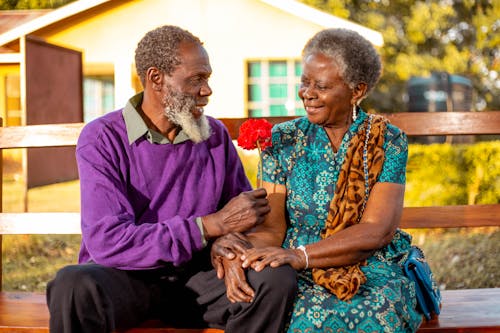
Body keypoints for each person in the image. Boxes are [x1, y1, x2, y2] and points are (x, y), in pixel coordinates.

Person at [46, 25, 297, 333]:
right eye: (197, 79)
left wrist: (228, 244)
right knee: (73, 285)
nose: (207, 90)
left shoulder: (214, 135)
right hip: (126, 278)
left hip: (198, 276)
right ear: (156, 79)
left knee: (274, 280)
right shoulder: (102, 138)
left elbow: (240, 217)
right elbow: (107, 242)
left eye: (207, 78)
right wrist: (208, 227)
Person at [212, 28, 423, 332]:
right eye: (305, 82)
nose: (307, 93)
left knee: (376, 312)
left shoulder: (386, 141)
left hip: (369, 266)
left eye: (320, 86)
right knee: (291, 308)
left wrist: (302, 256)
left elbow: (377, 231)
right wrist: (237, 251)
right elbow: (272, 229)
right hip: (292, 265)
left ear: (357, 90)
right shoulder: (283, 140)